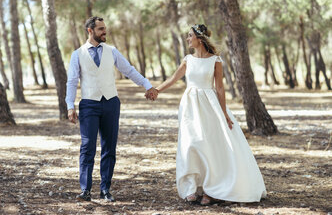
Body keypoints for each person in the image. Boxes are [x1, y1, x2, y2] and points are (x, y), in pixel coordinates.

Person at [151, 24, 267, 205]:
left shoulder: (215, 60)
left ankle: (210, 190)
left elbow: (219, 88)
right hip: (190, 106)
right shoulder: (188, 59)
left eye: (190, 36)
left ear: (200, 38)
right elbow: (173, 78)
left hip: (209, 105)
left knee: (209, 147)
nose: (188, 39)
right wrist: (156, 90)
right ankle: (190, 188)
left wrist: (224, 114)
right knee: (190, 144)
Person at [66, 16, 158, 202]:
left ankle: (105, 189)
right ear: (90, 31)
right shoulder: (78, 54)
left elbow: (129, 71)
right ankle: (85, 189)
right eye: (100, 29)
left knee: (109, 148)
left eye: (105, 28)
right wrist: (70, 106)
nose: (104, 32)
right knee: (87, 147)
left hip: (110, 103)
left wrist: (147, 85)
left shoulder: (112, 51)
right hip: (89, 104)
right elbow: (72, 81)